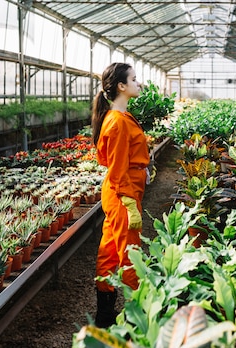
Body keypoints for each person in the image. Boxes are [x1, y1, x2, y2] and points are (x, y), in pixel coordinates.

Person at [90, 63, 149, 328]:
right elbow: (116, 169)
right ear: (122, 86)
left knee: (111, 250)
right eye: (134, 79)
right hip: (122, 194)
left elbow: (123, 161)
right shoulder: (116, 123)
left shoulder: (120, 118)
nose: (139, 83)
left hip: (122, 191)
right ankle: (137, 314)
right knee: (129, 251)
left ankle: (105, 315)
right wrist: (129, 204)